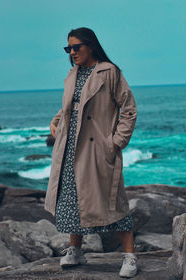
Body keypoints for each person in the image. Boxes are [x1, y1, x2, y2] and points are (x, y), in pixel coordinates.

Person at [44, 27, 137, 278]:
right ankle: (75, 249)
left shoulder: (109, 72)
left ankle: (129, 256)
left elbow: (128, 108)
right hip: (69, 147)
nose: (72, 52)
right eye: (69, 48)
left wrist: (116, 142)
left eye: (76, 47)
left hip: (97, 149)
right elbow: (70, 107)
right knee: (73, 201)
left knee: (113, 202)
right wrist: (55, 122)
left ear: (91, 46)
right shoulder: (73, 74)